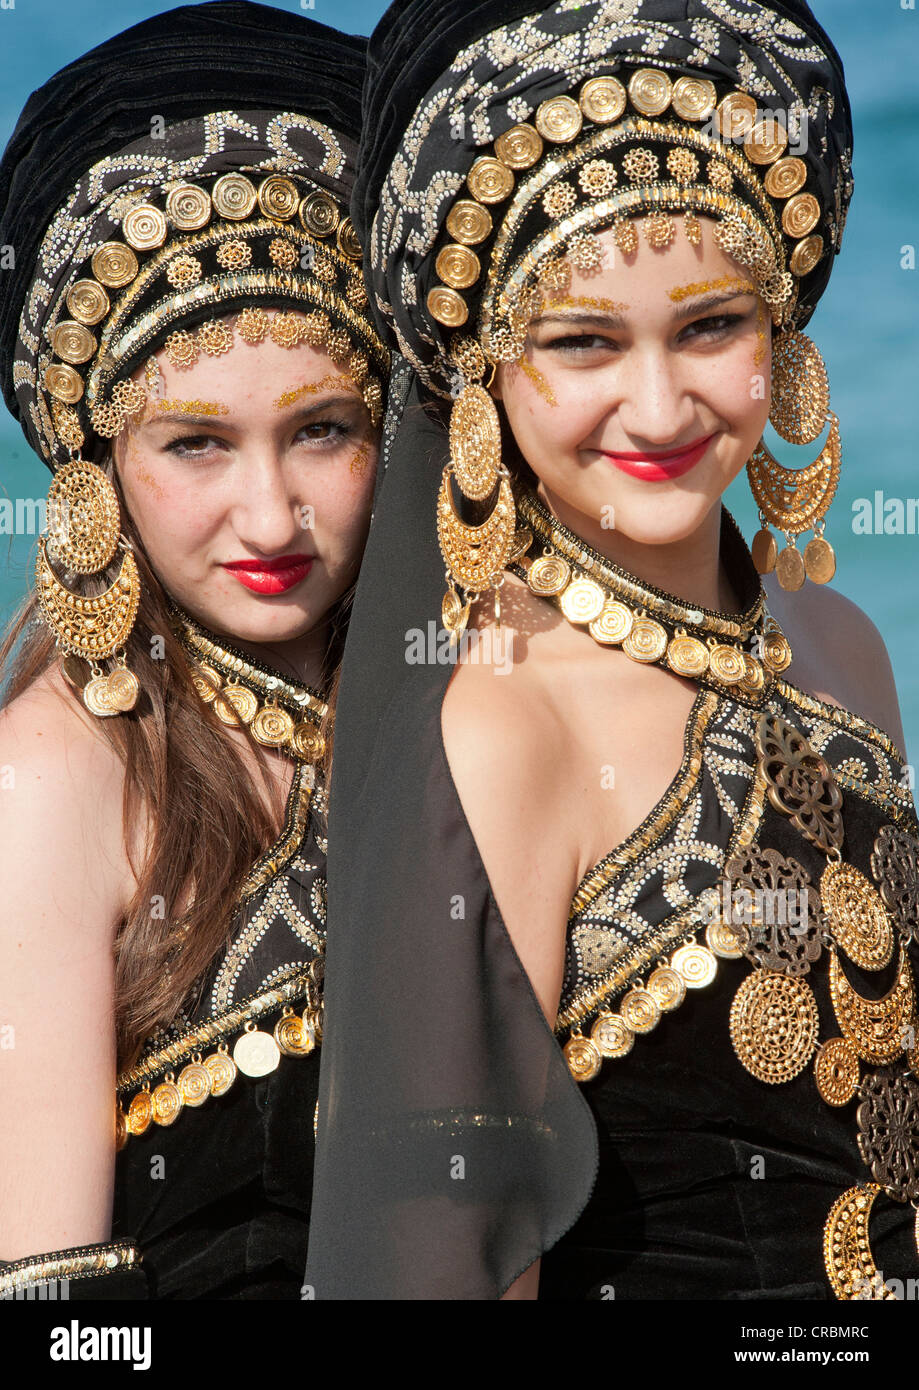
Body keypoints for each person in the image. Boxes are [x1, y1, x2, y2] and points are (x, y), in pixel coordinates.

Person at [305, 0, 919, 1300]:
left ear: (783, 334)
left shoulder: (847, 649)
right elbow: (446, 1249)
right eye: (583, 341)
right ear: (480, 377)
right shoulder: (506, 726)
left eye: (710, 327)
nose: (658, 405)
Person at [0, 2, 387, 1299]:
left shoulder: (451, 700)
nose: (272, 516)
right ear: (99, 460)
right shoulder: (56, 780)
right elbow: (48, 1300)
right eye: (197, 443)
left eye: (325, 429)